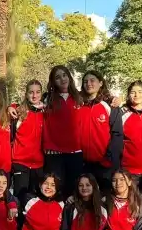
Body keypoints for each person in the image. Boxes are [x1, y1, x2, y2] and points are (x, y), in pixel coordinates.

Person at [77, 70, 122, 192]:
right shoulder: (78, 105)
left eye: (92, 80)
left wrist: (109, 158)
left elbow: (117, 134)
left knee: (105, 199)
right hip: (83, 164)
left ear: (100, 83)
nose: (89, 84)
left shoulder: (110, 106)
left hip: (104, 164)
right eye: (85, 81)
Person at [43, 65, 83, 198]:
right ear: (53, 81)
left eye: (64, 75)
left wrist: (113, 99)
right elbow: (28, 104)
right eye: (57, 77)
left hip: (75, 152)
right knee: (57, 192)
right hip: (55, 153)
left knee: (74, 192)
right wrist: (11, 107)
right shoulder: (47, 99)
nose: (62, 79)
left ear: (69, 77)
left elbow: (99, 98)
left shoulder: (79, 98)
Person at [11, 80, 46, 200]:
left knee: (35, 200)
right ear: (26, 94)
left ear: (41, 93)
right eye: (31, 92)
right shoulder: (18, 112)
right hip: (20, 163)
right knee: (20, 199)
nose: (34, 95)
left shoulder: (45, 113)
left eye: (37, 92)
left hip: (39, 165)